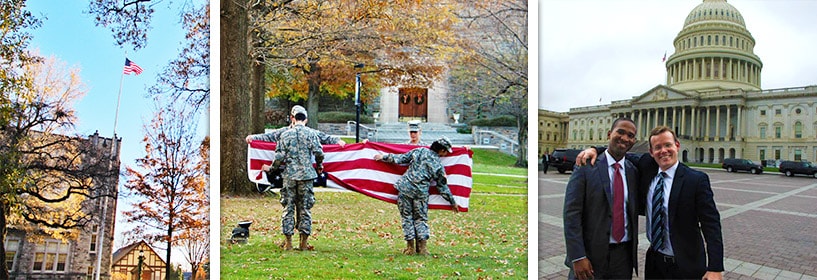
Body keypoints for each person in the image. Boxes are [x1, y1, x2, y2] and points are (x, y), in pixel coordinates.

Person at [577, 126, 724, 279]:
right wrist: (595, 149)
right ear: (651, 152)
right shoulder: (647, 167)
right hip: (655, 262)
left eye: (668, 145)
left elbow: (711, 224)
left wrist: (715, 267)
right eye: (658, 147)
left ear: (677, 145)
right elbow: (617, 153)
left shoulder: (696, 180)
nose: (663, 151)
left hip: (686, 264)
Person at [563, 117, 640, 280]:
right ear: (609, 134)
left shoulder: (633, 171)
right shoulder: (586, 166)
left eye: (630, 135)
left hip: (623, 257)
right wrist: (577, 256)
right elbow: (571, 214)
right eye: (620, 132)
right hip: (590, 255)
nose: (625, 138)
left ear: (634, 141)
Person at [373, 136, 459, 255]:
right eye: (445, 152)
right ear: (441, 150)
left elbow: (401, 158)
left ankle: (410, 248)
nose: (445, 154)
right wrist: (452, 201)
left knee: (407, 218)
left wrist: (383, 157)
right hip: (421, 193)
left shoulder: (420, 151)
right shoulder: (439, 166)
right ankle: (422, 248)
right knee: (421, 219)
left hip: (405, 189)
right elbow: (442, 187)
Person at [262, 106, 324, 251]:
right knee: (305, 209)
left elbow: (279, 157)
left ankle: (288, 242)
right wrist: (319, 165)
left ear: (293, 119)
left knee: (288, 208)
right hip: (307, 176)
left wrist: (271, 169)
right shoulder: (311, 134)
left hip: (289, 175)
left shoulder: (285, 135)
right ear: (306, 120)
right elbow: (319, 152)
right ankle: (303, 243)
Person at [246, 105, 346, 147]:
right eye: (295, 117)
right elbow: (268, 137)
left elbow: (326, 138)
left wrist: (338, 141)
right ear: (291, 118)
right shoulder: (283, 132)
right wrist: (253, 138)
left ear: (306, 120)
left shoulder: (311, 133)